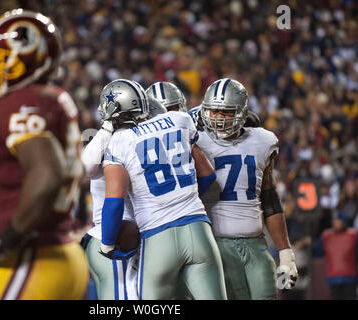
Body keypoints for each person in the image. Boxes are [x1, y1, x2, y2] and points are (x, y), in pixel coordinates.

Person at [0, 9, 89, 300]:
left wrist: (8, 238)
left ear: (23, 59)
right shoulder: (50, 97)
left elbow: (47, 175)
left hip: (33, 258)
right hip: (57, 256)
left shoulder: (24, 100)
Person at [100, 79, 226, 300]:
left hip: (157, 237)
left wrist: (107, 244)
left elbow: (114, 202)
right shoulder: (180, 120)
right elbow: (207, 175)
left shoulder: (119, 141)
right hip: (199, 230)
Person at [193, 78, 298, 299]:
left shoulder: (262, 140)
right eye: (213, 111)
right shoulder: (195, 141)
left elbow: (269, 198)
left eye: (227, 112)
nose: (219, 118)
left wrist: (285, 253)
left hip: (256, 242)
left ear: (241, 112)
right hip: (216, 243)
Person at [80, 79, 142, 300]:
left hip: (131, 238)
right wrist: (107, 128)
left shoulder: (139, 138)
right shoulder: (103, 140)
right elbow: (86, 167)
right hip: (113, 237)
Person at [313, 211, 358, 300]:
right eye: (335, 220)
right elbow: (317, 252)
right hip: (333, 278)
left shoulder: (353, 235)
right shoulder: (326, 235)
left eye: (338, 220)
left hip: (350, 277)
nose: (336, 223)